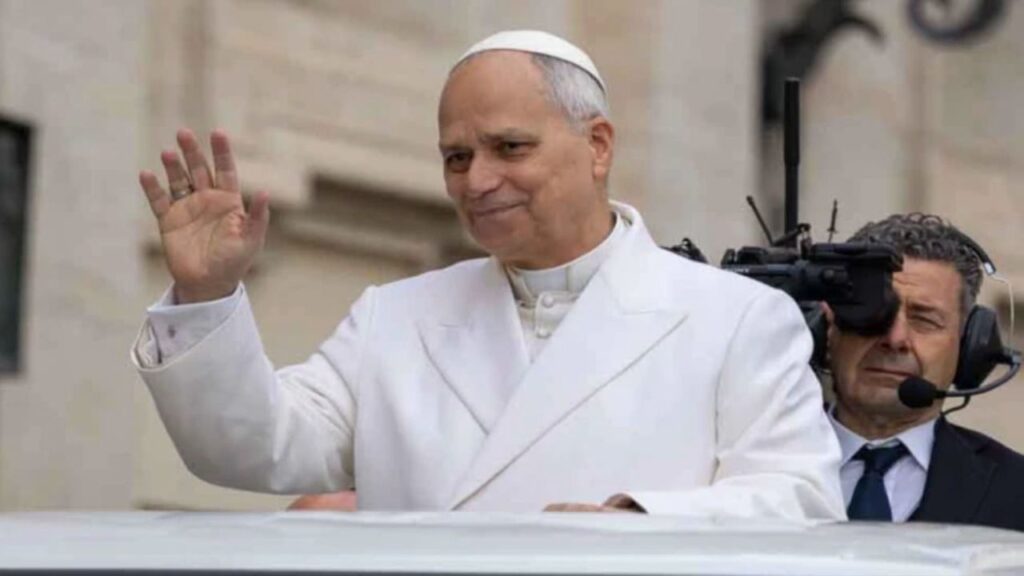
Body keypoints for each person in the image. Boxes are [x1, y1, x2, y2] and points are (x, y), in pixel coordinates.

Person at [132, 30, 843, 518]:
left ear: (597, 145)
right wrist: (205, 294)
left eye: (510, 147)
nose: (478, 181)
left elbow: (802, 500)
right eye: (457, 157)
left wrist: (642, 522)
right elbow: (253, 450)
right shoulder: (394, 317)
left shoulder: (736, 318)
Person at [825, 213, 1024, 530]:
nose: (895, 339)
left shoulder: (1015, 490)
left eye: (925, 319)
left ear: (970, 345)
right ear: (828, 327)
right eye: (875, 314)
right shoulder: (750, 464)